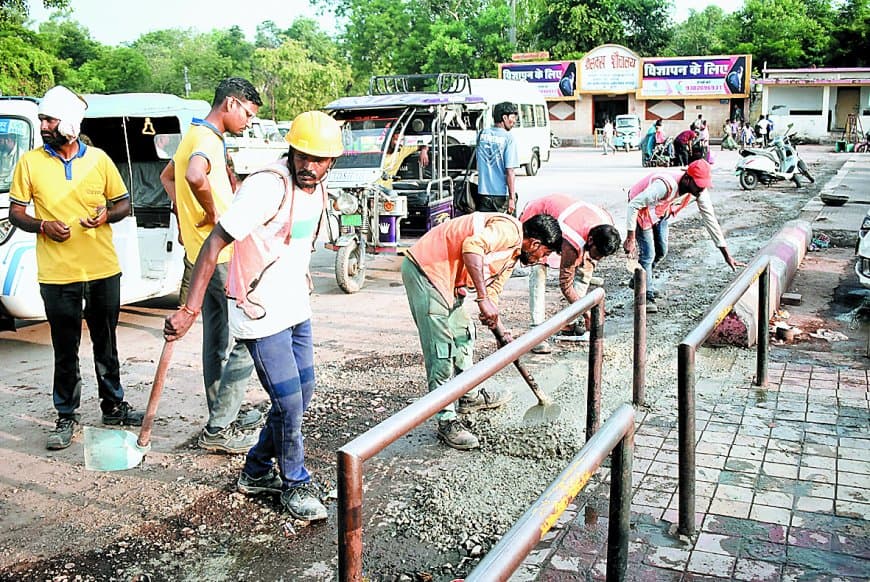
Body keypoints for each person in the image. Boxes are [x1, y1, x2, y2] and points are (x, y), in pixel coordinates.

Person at [164, 110, 342, 521]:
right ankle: (294, 482)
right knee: (289, 402)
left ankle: (256, 470)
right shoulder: (267, 186)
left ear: (333, 161)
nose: (309, 167)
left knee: (302, 395)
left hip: (295, 305)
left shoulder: (317, 186)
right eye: (303, 157)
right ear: (291, 150)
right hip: (259, 310)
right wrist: (190, 309)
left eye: (319, 160)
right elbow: (214, 243)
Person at [8, 86, 144, 450]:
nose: (44, 127)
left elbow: (124, 204)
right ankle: (65, 415)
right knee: (64, 347)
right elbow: (16, 212)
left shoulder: (99, 160)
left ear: (69, 122)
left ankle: (113, 406)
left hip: (102, 270)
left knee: (106, 343)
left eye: (49, 120)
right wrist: (42, 226)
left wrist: (105, 215)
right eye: (41, 120)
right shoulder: (30, 163)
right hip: (57, 275)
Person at [159, 77, 265, 454]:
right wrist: (210, 212)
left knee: (218, 336)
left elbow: (167, 178)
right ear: (231, 104)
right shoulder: (206, 140)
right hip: (218, 256)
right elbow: (191, 176)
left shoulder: (195, 134)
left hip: (202, 249)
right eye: (248, 114)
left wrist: (183, 210)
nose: (249, 122)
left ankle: (224, 411)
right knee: (231, 337)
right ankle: (220, 423)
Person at [401, 212, 562, 450]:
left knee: (465, 334)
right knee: (441, 350)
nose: (542, 259)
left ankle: (468, 395)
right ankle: (445, 420)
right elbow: (472, 246)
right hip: (427, 270)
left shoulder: (513, 255)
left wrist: (501, 332)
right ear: (535, 243)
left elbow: (493, 293)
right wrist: (482, 298)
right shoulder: (509, 231)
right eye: (545, 253)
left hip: (448, 279)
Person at [622, 159, 743, 313]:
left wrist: (726, 254)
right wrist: (630, 238)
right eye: (698, 185)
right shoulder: (664, 186)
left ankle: (640, 280)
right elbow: (634, 205)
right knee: (648, 255)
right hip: (641, 209)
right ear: (687, 178)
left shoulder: (698, 191)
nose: (700, 190)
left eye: (703, 185)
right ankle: (646, 296)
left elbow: (710, 219)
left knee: (661, 251)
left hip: (660, 211)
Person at [519, 196, 621, 354]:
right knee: (539, 270)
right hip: (540, 214)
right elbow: (565, 284)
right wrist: (587, 312)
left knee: (585, 270)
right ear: (591, 240)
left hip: (570, 218)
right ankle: (536, 332)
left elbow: (587, 266)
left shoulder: (605, 225)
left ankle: (569, 323)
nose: (596, 259)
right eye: (596, 254)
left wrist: (584, 310)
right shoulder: (573, 241)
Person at [475, 102, 519, 214]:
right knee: (506, 229)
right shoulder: (508, 138)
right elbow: (510, 171)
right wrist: (512, 198)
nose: (514, 121)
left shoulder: (482, 134)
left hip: (482, 194)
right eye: (513, 117)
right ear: (504, 118)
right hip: (500, 196)